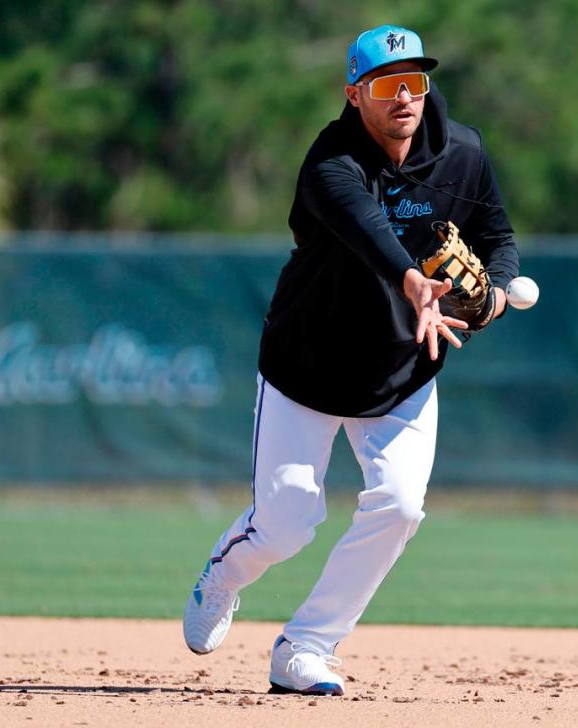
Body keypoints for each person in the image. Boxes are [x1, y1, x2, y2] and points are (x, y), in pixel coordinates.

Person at [182, 24, 520, 696]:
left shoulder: (463, 154)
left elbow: (497, 237)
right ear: (354, 94)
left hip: (402, 369)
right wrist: (413, 280)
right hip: (306, 367)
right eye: (387, 84)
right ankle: (222, 574)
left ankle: (306, 646)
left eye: (415, 82)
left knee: (400, 506)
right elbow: (365, 228)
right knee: (285, 527)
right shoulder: (330, 162)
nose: (405, 96)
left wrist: (501, 292)